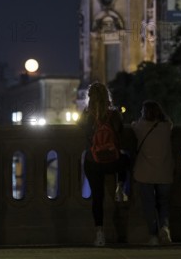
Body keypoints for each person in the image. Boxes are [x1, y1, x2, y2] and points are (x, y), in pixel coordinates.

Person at [79, 82, 129, 247]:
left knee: (97, 198)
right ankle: (121, 186)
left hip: (94, 161)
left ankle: (100, 234)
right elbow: (120, 134)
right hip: (112, 161)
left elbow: (85, 136)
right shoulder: (113, 114)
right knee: (125, 160)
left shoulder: (87, 115)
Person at [131, 100, 174, 246]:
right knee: (164, 203)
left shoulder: (140, 127)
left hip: (145, 172)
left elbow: (133, 125)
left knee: (149, 205)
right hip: (164, 172)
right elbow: (170, 122)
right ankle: (165, 227)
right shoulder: (167, 126)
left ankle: (153, 235)